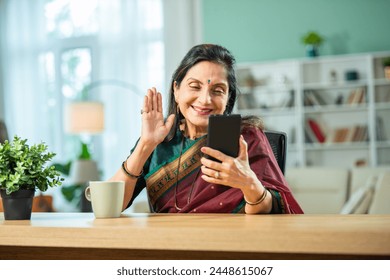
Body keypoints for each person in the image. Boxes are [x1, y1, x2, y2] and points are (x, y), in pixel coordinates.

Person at [110, 44, 303, 214]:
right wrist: (145, 145)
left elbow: (277, 210)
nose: (205, 100)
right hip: (169, 245)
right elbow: (110, 206)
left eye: (217, 90)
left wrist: (249, 184)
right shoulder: (157, 140)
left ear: (228, 98)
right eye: (195, 86)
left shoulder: (246, 138)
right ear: (176, 90)